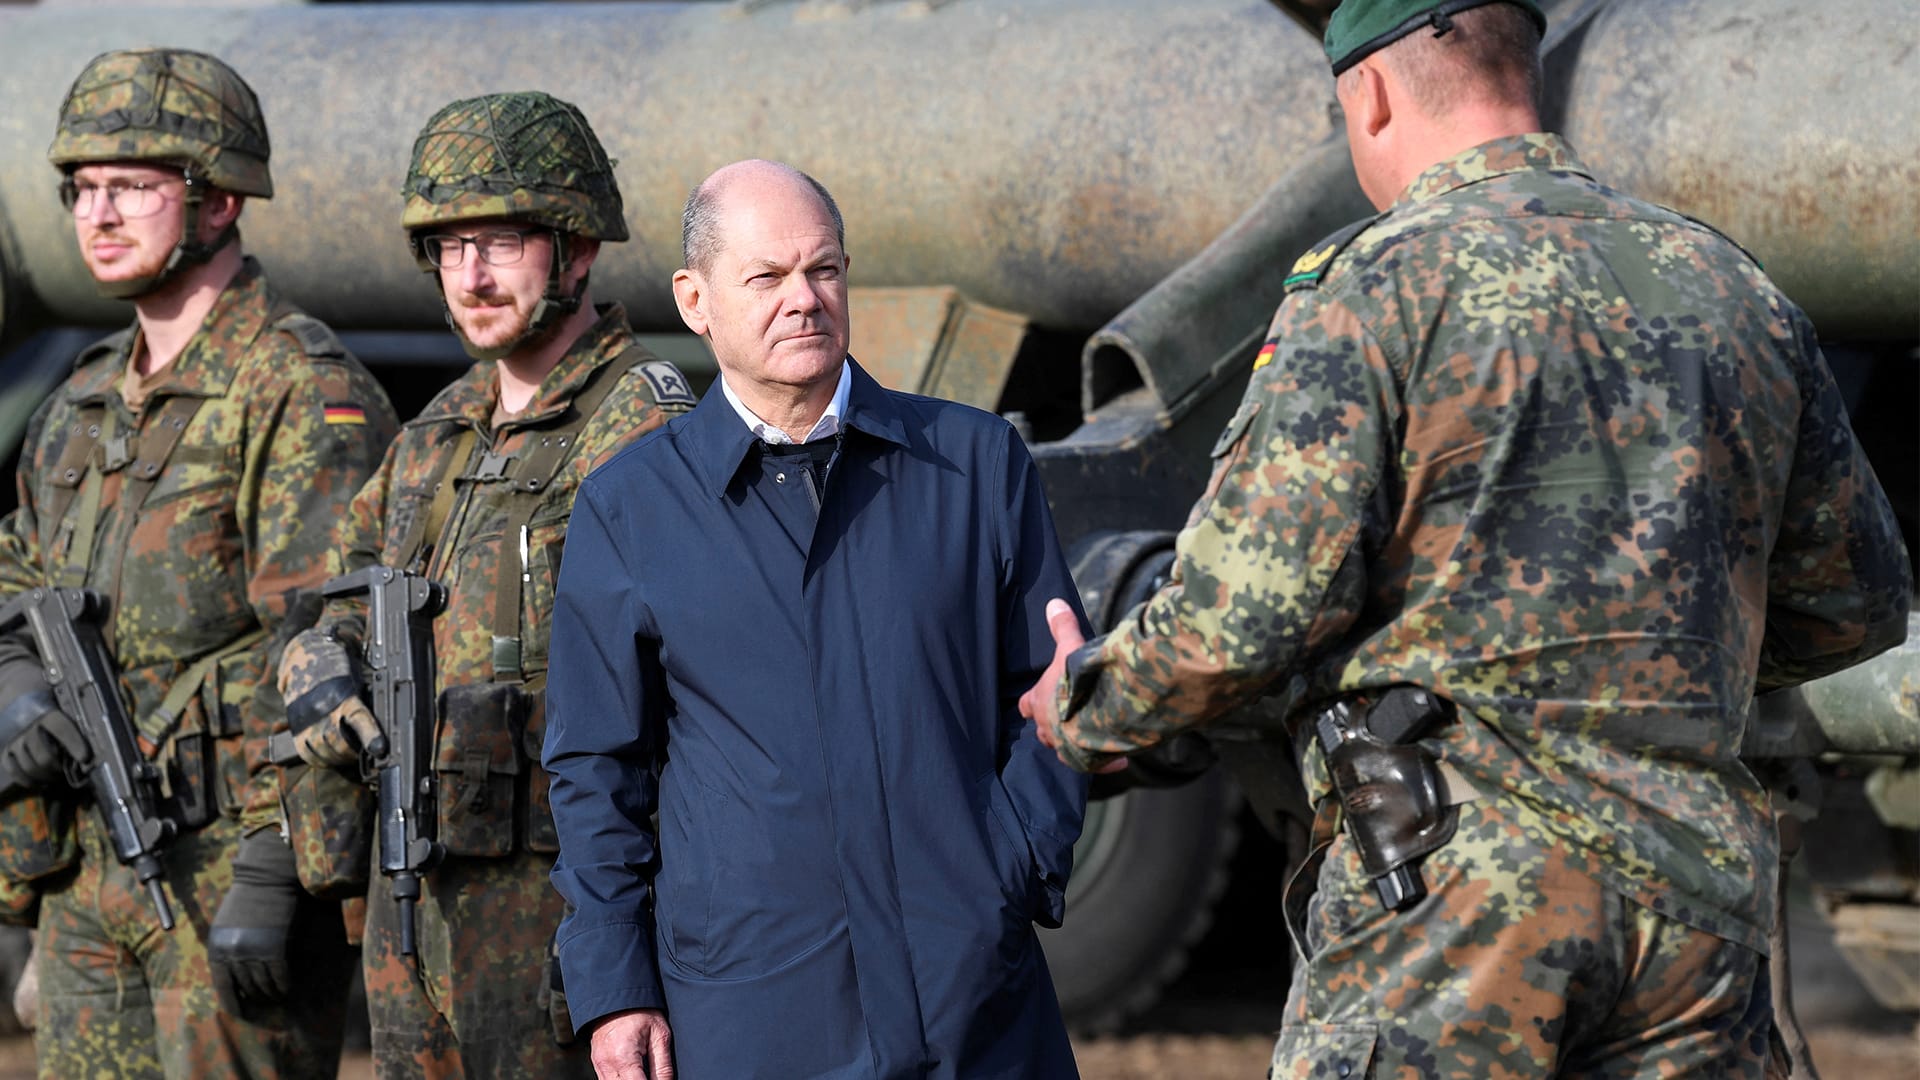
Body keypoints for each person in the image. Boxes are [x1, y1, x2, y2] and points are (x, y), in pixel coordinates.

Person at [1021, 1, 1913, 1078]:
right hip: (1694, 911)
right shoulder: (1735, 289)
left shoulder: (1372, 291)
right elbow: (1854, 597)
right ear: (1521, 72)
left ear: (1373, 94)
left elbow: (1242, 618)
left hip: (1455, 909)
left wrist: (1085, 702)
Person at [542, 159, 1089, 1080]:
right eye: (766, 277)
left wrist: (1005, 867)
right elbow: (596, 770)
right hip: (754, 1011)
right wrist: (615, 986)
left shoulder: (974, 463)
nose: (804, 299)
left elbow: (1055, 690)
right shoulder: (630, 509)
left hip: (973, 999)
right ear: (695, 299)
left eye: (823, 270)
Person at [274, 90, 695, 1079]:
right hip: (414, 895)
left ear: (577, 249)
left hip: (560, 900)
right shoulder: (437, 431)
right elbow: (334, 601)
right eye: (448, 247)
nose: (469, 275)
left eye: (501, 243)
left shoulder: (639, 416)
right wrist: (316, 668)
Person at [0, 47, 396, 1079]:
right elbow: (14, 582)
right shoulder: (77, 406)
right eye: (82, 189)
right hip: (88, 870)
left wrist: (273, 864)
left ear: (219, 202)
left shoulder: (297, 390)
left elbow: (328, 645)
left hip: (229, 869)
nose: (99, 214)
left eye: (133, 186)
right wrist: (15, 697)